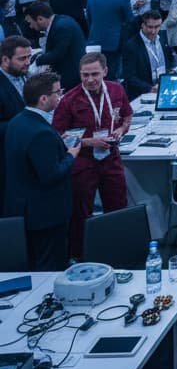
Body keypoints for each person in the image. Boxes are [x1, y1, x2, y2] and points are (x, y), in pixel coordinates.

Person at [52, 51, 132, 258]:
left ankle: (121, 252)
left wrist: (121, 131)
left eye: (95, 74)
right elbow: (58, 136)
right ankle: (80, 256)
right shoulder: (69, 100)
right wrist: (89, 142)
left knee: (118, 207)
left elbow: (127, 116)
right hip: (83, 163)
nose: (90, 79)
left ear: (105, 71)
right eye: (85, 75)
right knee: (81, 213)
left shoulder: (116, 90)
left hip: (111, 158)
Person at [3, 71, 80, 269]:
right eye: (57, 92)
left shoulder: (18, 121)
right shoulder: (41, 132)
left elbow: (29, 158)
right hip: (46, 214)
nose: (60, 95)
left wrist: (57, 144)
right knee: (50, 266)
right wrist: (71, 154)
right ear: (44, 98)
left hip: (24, 208)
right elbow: (51, 174)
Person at [24, 0, 85, 91]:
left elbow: (57, 54)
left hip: (71, 77)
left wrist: (37, 60)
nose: (30, 26)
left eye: (30, 22)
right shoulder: (60, 22)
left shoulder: (61, 27)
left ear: (40, 19)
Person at [85, 0, 133, 80]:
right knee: (110, 74)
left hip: (94, 40)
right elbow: (130, 20)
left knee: (94, 73)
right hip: (113, 42)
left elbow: (89, 18)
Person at [119, 8, 175, 99]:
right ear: (142, 25)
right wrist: (150, 89)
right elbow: (129, 77)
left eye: (157, 27)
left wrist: (170, 74)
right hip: (143, 93)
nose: (153, 31)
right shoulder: (131, 46)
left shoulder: (163, 38)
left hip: (164, 88)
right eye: (150, 27)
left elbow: (169, 61)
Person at [0, 35, 29, 211]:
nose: (27, 62)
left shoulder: (24, 75)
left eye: (29, 57)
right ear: (5, 60)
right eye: (22, 58)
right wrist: (23, 125)